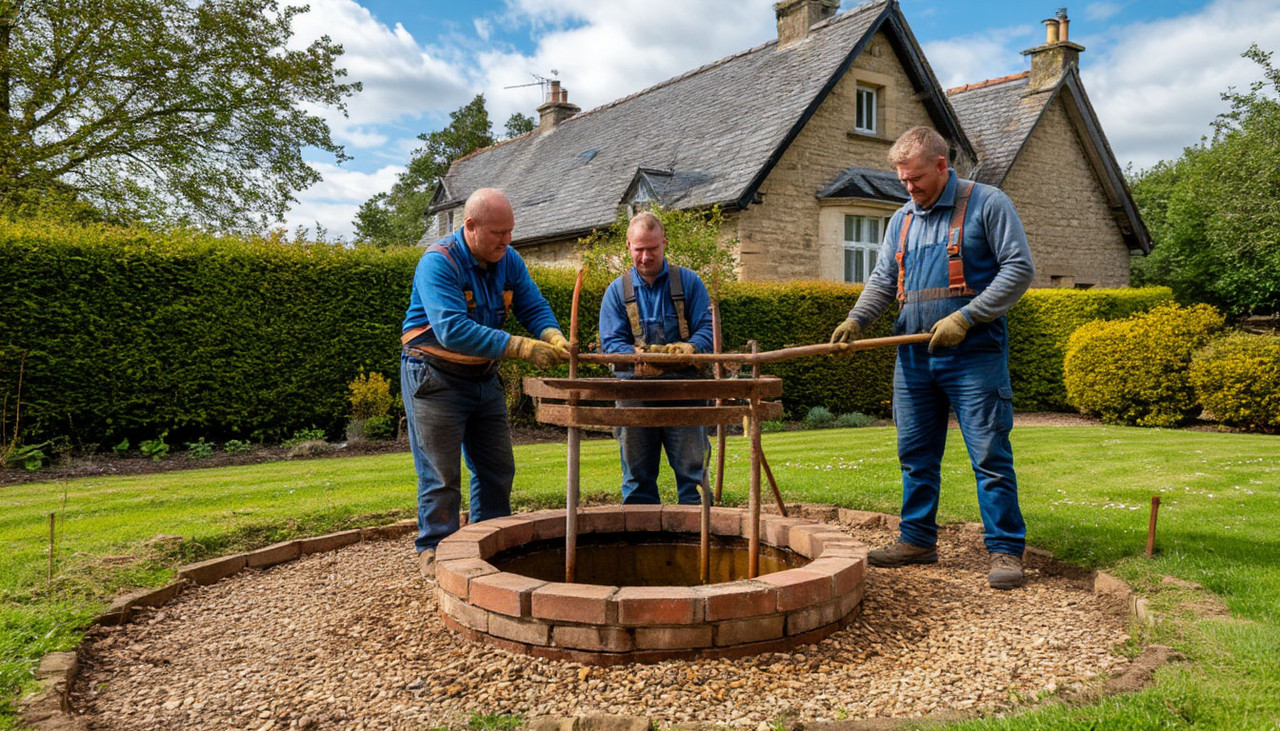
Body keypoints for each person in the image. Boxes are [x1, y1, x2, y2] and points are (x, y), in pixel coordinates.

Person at [829, 127, 1035, 590]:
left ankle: (1005, 547)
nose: (909, 188)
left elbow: (1020, 269)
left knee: (989, 453)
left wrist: (967, 316)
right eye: (902, 180)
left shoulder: (988, 204)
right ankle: (918, 539)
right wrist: (856, 320)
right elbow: (883, 280)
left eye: (916, 178)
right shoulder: (901, 219)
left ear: (942, 166)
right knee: (915, 454)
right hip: (913, 356)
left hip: (974, 354)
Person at [400, 188, 569, 579]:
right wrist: (519, 347)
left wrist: (551, 334)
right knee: (441, 476)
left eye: (510, 232)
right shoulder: (437, 263)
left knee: (496, 469)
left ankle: (488, 545)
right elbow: (451, 329)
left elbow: (533, 305)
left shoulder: (508, 260)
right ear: (470, 226)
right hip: (433, 377)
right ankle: (435, 551)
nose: (506, 241)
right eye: (498, 233)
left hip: (482, 376)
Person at [598, 211, 715, 505]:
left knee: (693, 479)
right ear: (628, 247)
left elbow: (708, 330)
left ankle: (699, 544)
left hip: (684, 393)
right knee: (637, 481)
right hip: (634, 395)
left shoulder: (688, 283)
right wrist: (643, 359)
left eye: (652, 248)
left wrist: (691, 348)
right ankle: (639, 542)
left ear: (664, 243)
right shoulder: (617, 292)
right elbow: (611, 344)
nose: (646, 256)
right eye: (639, 249)